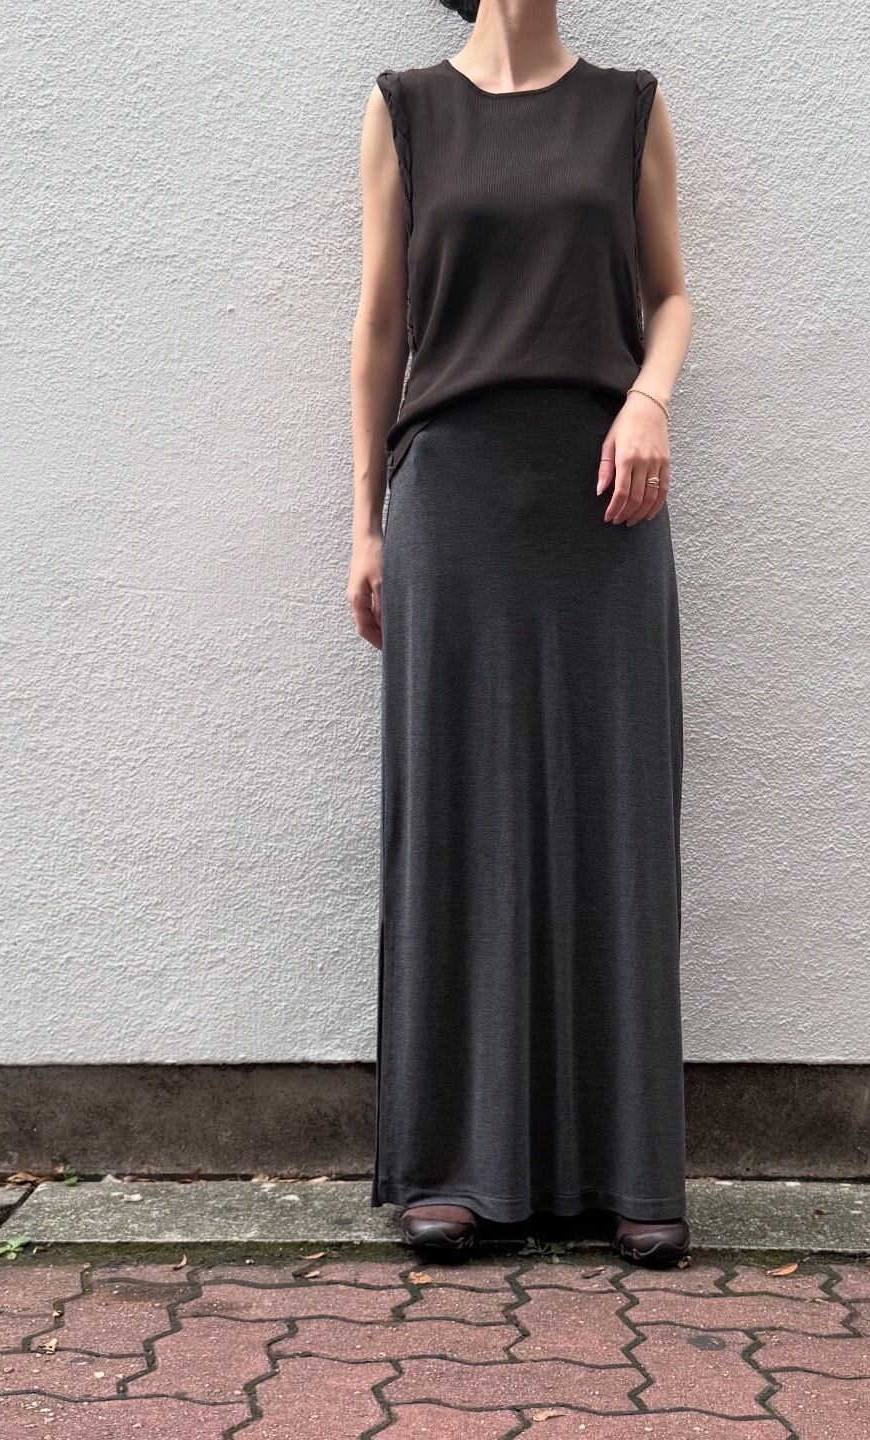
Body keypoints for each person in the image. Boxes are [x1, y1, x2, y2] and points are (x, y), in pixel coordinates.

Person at [348, 0, 694, 1267]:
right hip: (451, 493)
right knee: (459, 814)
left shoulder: (628, 105)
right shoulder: (406, 109)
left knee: (616, 813)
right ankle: (455, 1167)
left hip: (606, 497)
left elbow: (671, 294)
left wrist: (649, 399)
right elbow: (380, 324)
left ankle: (627, 1168)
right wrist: (365, 523)